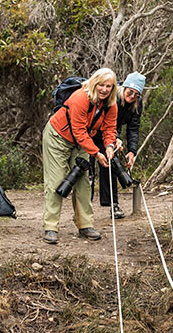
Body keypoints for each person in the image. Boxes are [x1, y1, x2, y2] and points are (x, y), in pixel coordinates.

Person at [42, 68, 118, 244]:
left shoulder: (111, 104)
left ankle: (85, 225)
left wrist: (109, 146)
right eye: (101, 85)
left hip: (83, 141)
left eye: (108, 86)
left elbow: (109, 128)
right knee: (57, 180)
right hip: (58, 137)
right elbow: (78, 130)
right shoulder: (80, 98)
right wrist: (96, 153)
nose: (104, 89)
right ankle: (51, 227)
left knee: (83, 182)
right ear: (94, 83)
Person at [92, 71, 145, 219]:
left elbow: (133, 128)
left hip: (110, 135)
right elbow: (106, 121)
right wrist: (115, 137)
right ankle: (85, 208)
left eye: (136, 94)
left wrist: (132, 151)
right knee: (88, 168)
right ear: (124, 88)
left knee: (110, 164)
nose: (132, 96)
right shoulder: (113, 97)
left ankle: (112, 204)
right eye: (130, 91)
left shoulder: (136, 104)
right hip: (94, 132)